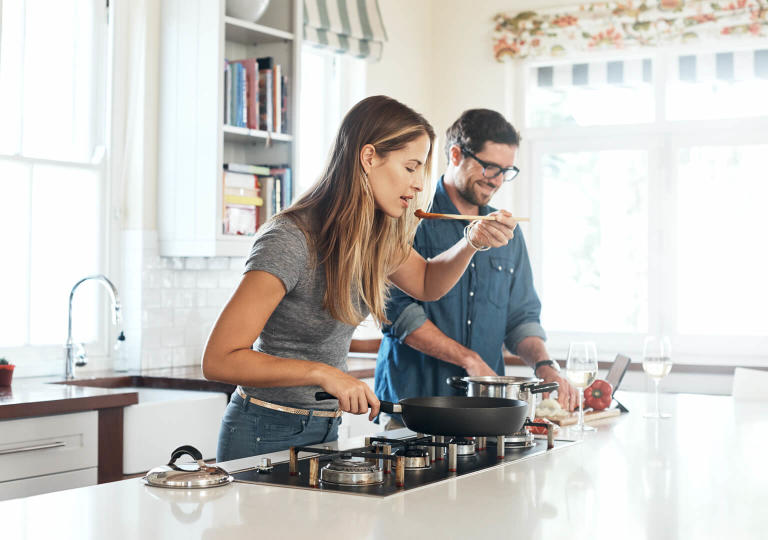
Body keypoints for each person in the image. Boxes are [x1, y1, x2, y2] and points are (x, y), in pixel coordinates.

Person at [203, 96, 518, 462]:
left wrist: (471, 242)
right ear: (369, 158)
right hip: (263, 430)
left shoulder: (373, 237)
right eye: (411, 167)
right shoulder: (290, 239)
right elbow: (219, 359)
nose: (418, 185)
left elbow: (428, 282)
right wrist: (323, 373)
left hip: (324, 428)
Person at [374, 109, 579, 429]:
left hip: (486, 410)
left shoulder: (507, 233)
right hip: (414, 407)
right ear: (456, 154)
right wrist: (468, 360)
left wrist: (544, 365)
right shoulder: (408, 216)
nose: (496, 180)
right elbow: (396, 314)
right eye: (489, 167)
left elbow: (521, 317)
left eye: (506, 171)